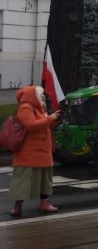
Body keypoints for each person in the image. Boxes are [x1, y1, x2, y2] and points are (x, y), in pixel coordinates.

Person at [8, 86, 62, 217]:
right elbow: (31, 125)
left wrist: (55, 120)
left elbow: (45, 126)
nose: (43, 97)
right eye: (40, 94)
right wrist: (50, 118)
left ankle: (44, 203)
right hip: (29, 153)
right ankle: (17, 206)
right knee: (23, 180)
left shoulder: (40, 108)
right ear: (32, 96)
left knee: (45, 180)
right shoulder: (26, 107)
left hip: (43, 151)